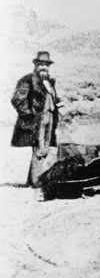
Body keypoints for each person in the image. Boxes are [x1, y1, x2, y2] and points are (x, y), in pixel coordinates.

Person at [11, 51, 63, 187]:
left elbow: (51, 98)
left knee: (45, 148)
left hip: (50, 117)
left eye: (46, 65)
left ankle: (34, 179)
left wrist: (59, 102)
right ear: (35, 65)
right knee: (38, 149)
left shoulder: (50, 82)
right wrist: (29, 115)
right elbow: (18, 99)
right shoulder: (28, 80)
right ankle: (37, 181)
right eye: (41, 64)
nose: (43, 67)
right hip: (35, 120)